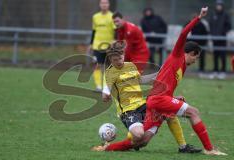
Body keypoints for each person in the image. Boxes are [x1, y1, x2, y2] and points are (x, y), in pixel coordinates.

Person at [93, 7, 227, 156]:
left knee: (142, 141)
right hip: (142, 105)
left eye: (121, 57)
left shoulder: (175, 66)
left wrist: (171, 96)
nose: (196, 61)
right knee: (193, 112)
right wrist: (198, 18)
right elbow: (183, 34)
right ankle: (209, 149)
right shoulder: (177, 55)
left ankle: (107, 148)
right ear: (190, 53)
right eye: (196, 57)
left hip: (150, 102)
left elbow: (145, 81)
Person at [93, 41, 201, 153]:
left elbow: (141, 80)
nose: (118, 62)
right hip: (128, 111)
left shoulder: (131, 66)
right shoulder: (110, 73)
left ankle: (183, 146)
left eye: (120, 58)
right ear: (110, 59)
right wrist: (106, 95)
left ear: (123, 55)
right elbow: (106, 90)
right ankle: (124, 142)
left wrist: (161, 73)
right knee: (140, 136)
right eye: (115, 60)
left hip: (143, 105)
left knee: (169, 113)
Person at [89, 0, 116, 92]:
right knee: (96, 65)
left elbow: (116, 30)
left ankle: (106, 86)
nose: (104, 5)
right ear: (100, 5)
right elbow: (93, 31)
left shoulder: (113, 16)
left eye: (106, 3)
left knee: (108, 67)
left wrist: (114, 40)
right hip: (97, 45)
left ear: (108, 5)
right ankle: (98, 86)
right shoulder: (95, 17)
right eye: (102, 3)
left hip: (109, 46)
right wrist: (91, 44)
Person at [209, 0, 231, 78]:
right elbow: (210, 25)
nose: (218, 6)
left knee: (223, 55)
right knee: (215, 56)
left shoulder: (225, 15)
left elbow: (229, 26)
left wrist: (222, 33)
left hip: (222, 39)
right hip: (214, 39)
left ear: (222, 6)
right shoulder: (213, 14)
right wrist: (212, 34)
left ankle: (223, 71)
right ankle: (215, 71)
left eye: (220, 5)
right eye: (217, 5)